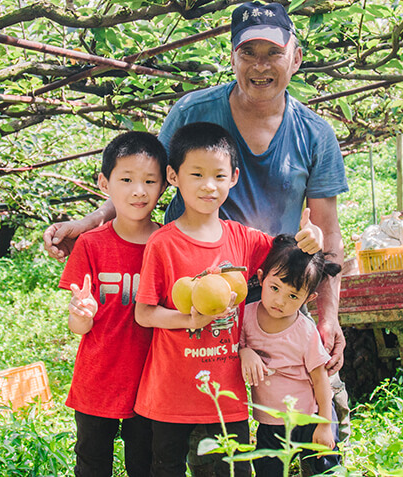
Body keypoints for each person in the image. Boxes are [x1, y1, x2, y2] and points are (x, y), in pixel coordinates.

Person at [44, 1, 351, 437]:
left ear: (295, 57)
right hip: (194, 287)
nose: (260, 66)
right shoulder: (194, 112)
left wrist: (328, 314)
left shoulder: (314, 133)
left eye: (273, 53)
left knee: (300, 404)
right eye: (248, 53)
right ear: (231, 57)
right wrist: (94, 219)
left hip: (277, 287)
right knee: (206, 416)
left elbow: (328, 231)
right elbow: (147, 177)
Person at [132, 122, 324, 477]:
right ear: (174, 176)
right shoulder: (163, 243)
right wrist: (188, 320)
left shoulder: (244, 239)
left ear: (234, 177)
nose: (209, 185)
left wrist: (312, 236)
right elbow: (145, 314)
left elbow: (290, 255)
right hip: (170, 393)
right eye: (197, 174)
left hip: (227, 395)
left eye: (219, 175)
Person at [59, 130, 167, 477]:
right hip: (98, 381)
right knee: (91, 466)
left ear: (165, 185)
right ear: (105, 183)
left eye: (150, 181)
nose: (139, 190)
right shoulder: (91, 245)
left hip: (151, 386)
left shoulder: (169, 243)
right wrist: (82, 315)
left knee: (145, 466)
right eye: (127, 179)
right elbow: (79, 326)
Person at [240, 234, 342, 476]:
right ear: (261, 278)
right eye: (275, 288)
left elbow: (320, 380)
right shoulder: (245, 317)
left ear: (309, 299)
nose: (280, 301)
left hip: (310, 417)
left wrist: (325, 424)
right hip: (270, 423)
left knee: (325, 469)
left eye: (293, 296)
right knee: (268, 470)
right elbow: (235, 346)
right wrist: (245, 352)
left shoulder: (304, 331)